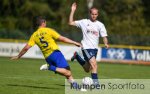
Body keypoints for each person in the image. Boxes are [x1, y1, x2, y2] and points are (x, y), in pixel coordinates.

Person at [11, 16, 81, 86]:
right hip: (55, 54)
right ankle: (49, 67)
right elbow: (62, 39)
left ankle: (77, 88)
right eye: (45, 22)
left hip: (47, 57)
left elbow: (26, 48)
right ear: (43, 23)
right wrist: (75, 43)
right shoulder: (48, 30)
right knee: (68, 72)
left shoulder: (34, 35)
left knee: (66, 74)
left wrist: (18, 56)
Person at [69, 2, 109, 84]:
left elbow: (104, 36)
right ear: (90, 14)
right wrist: (72, 10)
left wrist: (106, 43)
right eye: (92, 14)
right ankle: (96, 85)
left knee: (87, 69)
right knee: (94, 64)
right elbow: (70, 22)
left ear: (97, 15)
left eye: (95, 14)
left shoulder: (100, 25)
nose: (94, 16)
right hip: (86, 47)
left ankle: (76, 56)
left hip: (94, 49)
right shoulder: (84, 22)